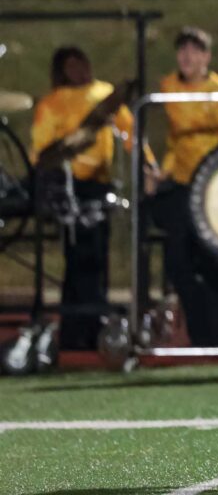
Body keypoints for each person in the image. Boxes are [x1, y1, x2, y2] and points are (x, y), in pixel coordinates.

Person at [31, 46, 155, 350]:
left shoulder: (105, 94)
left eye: (81, 63)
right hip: (68, 189)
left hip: (99, 187)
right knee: (78, 259)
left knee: (97, 257)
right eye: (70, 65)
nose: (78, 70)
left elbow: (131, 132)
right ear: (61, 70)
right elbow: (42, 150)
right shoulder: (52, 103)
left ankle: (88, 328)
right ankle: (76, 331)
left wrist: (149, 165)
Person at [151, 27, 218, 347]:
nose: (186, 57)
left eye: (194, 51)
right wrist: (165, 171)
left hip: (211, 187)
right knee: (178, 262)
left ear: (206, 57)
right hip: (181, 183)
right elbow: (176, 138)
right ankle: (200, 337)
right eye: (182, 51)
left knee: (211, 263)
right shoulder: (169, 86)